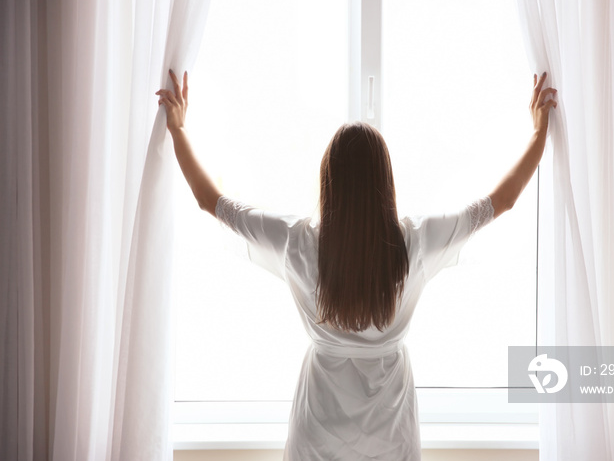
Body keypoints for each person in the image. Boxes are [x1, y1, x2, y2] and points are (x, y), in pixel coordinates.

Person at [157, 70, 557, 460]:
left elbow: (211, 201)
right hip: (391, 429)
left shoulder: (297, 242)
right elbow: (499, 202)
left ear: (329, 181)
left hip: (318, 427)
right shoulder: (416, 242)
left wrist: (177, 130)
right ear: (385, 181)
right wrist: (539, 135)